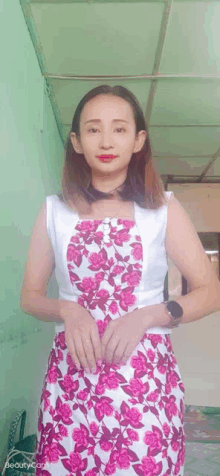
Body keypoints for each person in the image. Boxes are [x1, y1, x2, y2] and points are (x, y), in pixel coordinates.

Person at [20, 85, 220, 476]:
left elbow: (211, 291)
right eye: (93, 130)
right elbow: (30, 296)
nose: (106, 141)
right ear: (76, 142)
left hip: (145, 381)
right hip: (73, 380)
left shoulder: (163, 210)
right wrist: (67, 308)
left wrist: (147, 316)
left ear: (138, 140)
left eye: (120, 129)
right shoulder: (53, 211)